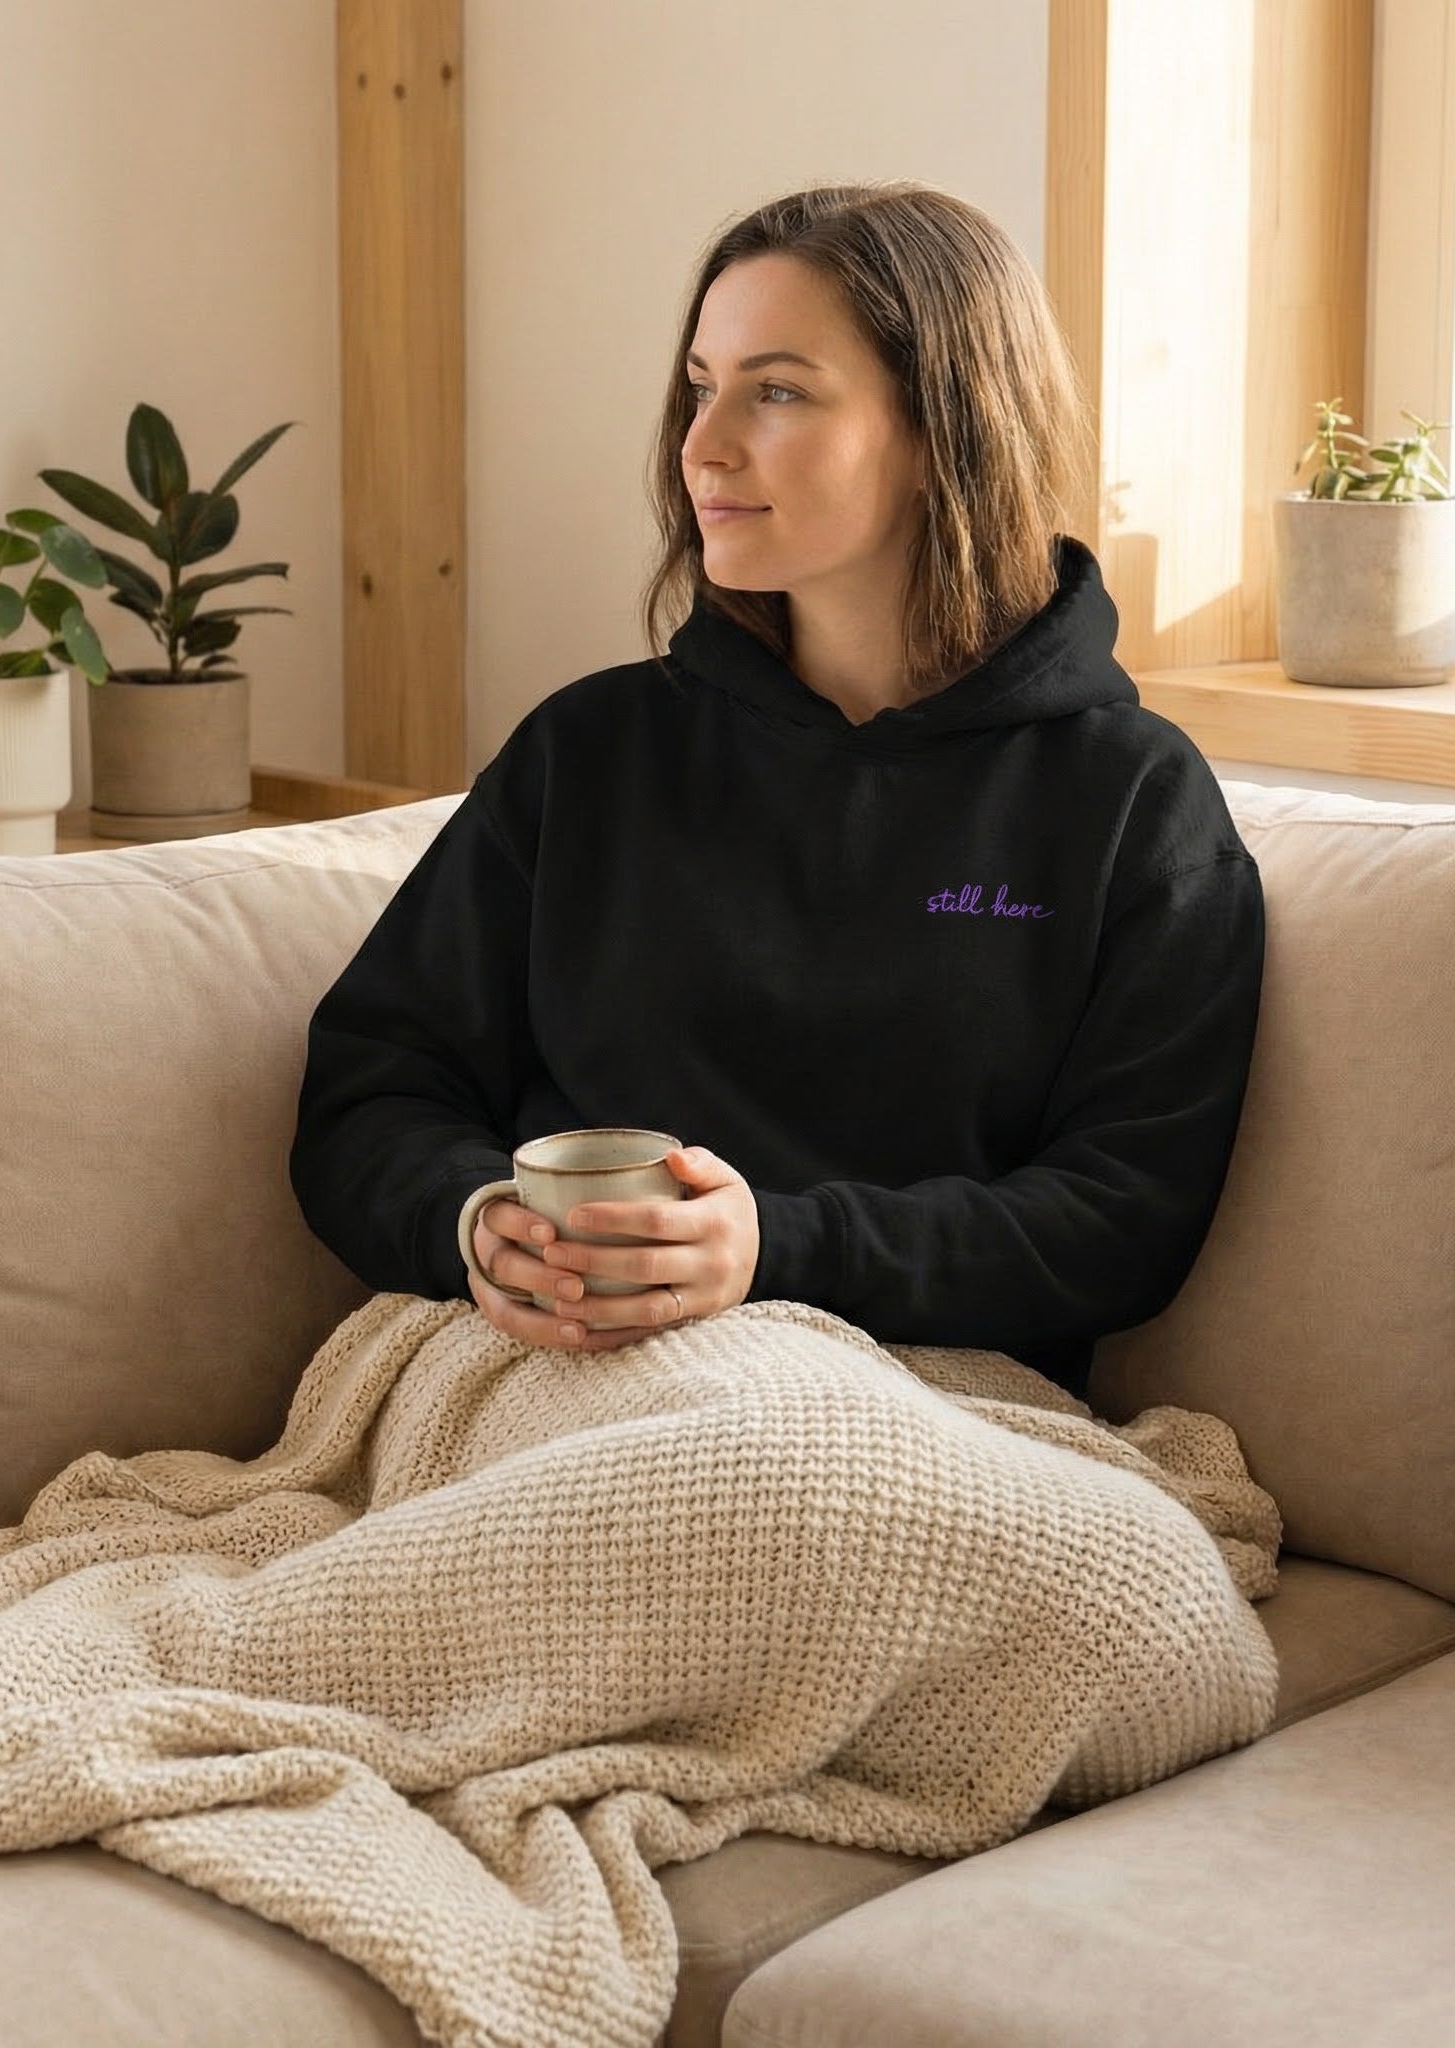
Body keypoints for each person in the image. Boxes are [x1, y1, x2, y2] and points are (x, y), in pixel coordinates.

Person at [289, 181, 1265, 1403]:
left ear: (939, 430)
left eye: (779, 390)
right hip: (554, 1371)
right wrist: (476, 1218)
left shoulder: (1131, 804)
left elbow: (1122, 1215)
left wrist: (774, 1252)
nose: (702, 444)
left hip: (926, 1403)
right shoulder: (587, 752)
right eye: (702, 386)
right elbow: (369, 1091)